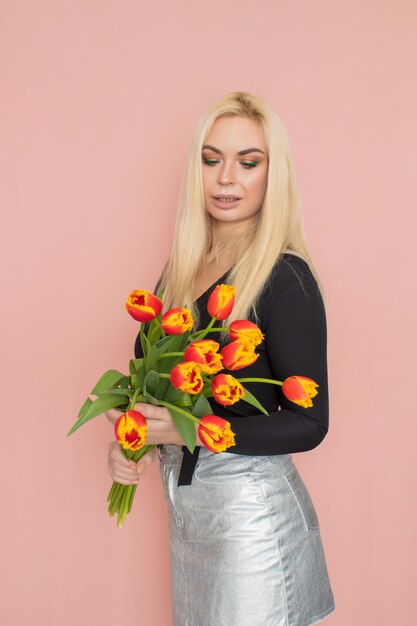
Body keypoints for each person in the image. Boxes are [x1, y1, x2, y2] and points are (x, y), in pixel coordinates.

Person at [102, 92, 335, 625]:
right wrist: (128, 446)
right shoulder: (180, 270)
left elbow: (311, 422)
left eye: (248, 162)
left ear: (272, 175)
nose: (226, 178)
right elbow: (151, 389)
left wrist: (193, 430)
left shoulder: (285, 276)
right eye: (211, 160)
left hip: (251, 523)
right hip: (189, 518)